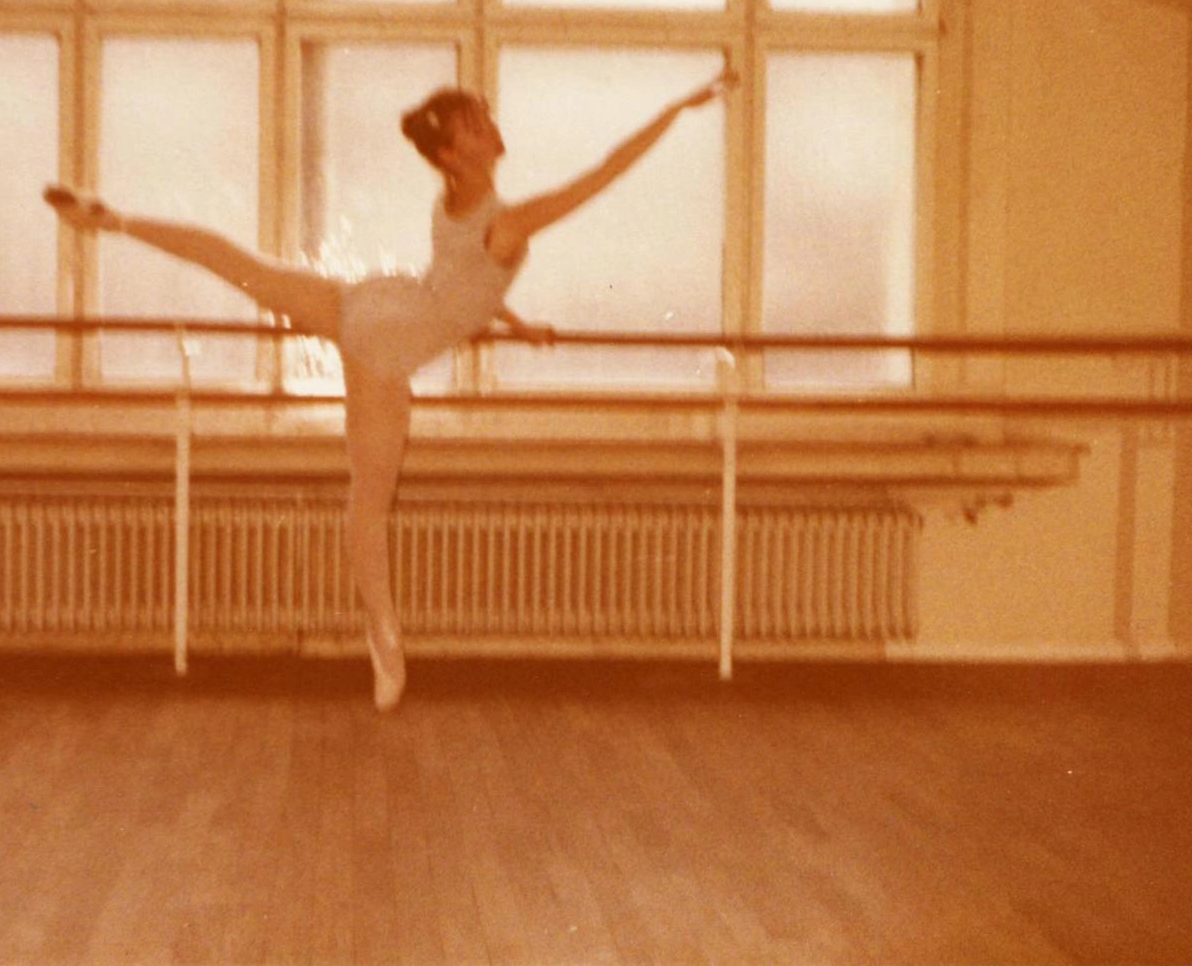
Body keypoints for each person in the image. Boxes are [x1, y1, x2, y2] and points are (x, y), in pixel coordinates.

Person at [44, 66, 737, 711]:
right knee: (367, 504)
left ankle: (115, 222)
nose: (490, 125)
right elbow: (606, 171)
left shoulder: (458, 204)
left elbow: (465, 284)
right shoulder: (509, 222)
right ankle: (385, 646)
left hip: (372, 304)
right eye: (474, 124)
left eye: (484, 115)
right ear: (451, 155)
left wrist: (518, 324)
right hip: (386, 344)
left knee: (241, 267)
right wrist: (679, 108)